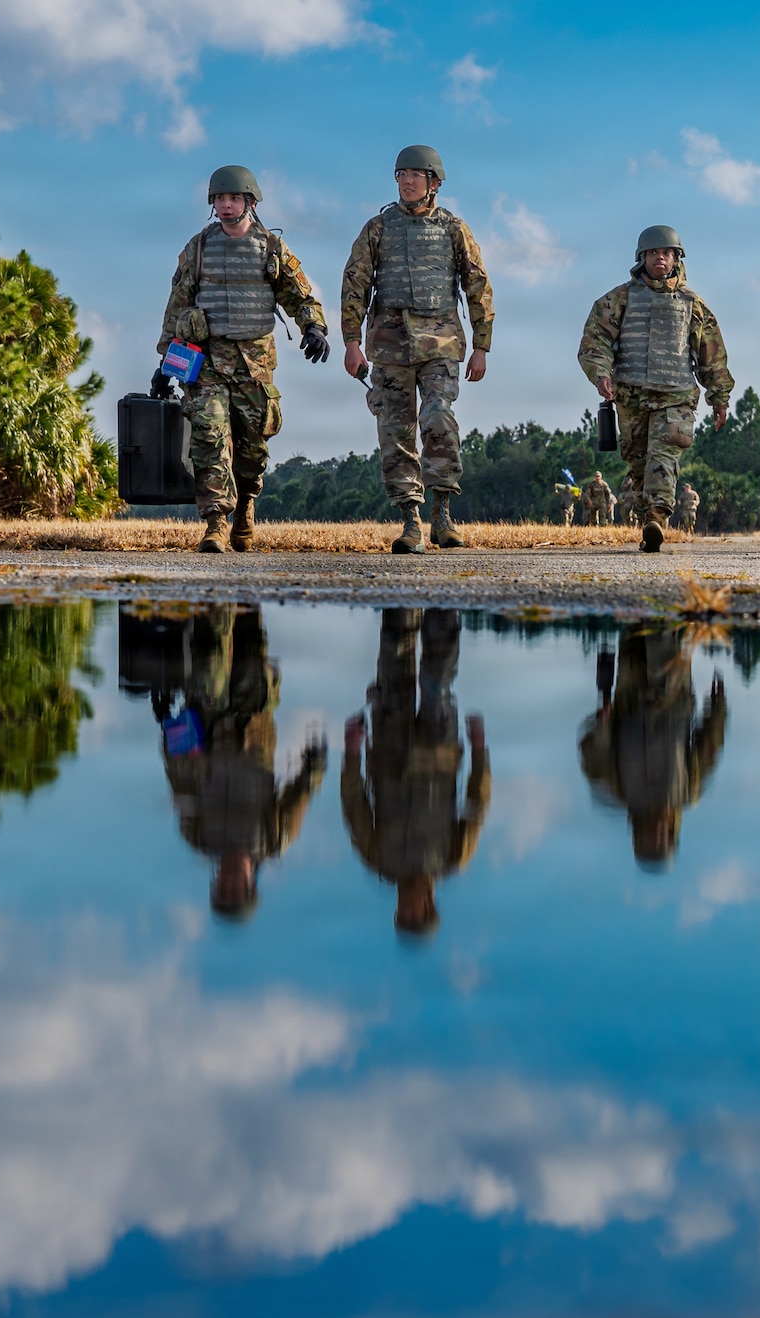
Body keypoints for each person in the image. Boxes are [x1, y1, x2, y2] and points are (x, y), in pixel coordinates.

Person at [152, 165, 328, 554]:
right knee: (209, 436)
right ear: (212, 204)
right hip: (207, 362)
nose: (226, 205)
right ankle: (215, 523)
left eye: (233, 198)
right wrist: (166, 364)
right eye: (219, 199)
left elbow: (301, 296)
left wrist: (313, 327)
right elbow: (176, 309)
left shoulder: (271, 248)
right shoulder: (197, 249)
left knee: (253, 448)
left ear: (250, 201)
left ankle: (246, 505)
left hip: (255, 364)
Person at [339, 146, 495, 554]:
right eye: (401, 174)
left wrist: (482, 346)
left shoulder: (453, 229)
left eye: (415, 175)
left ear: (434, 183)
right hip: (389, 346)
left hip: (440, 341)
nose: (407, 181)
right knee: (395, 430)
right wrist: (351, 342)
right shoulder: (378, 228)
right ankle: (411, 521)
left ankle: (442, 514)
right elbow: (354, 284)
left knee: (438, 417)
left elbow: (477, 286)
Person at [127, 606, 327, 917]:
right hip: (254, 719)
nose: (229, 883)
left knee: (207, 657)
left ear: (215, 883)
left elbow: (179, 776)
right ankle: (243, 569)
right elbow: (301, 793)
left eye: (223, 890)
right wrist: (314, 767)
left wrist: (168, 724)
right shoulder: (274, 840)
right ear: (251, 885)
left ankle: (214, 589)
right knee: (250, 639)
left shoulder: (197, 837)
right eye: (236, 891)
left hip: (209, 720)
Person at [577, 226, 735, 553]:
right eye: (653, 253)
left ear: (677, 258)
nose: (659, 257)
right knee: (637, 463)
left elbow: (712, 354)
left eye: (666, 252)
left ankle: (657, 518)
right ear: (642, 258)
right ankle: (646, 516)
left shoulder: (693, 303)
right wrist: (600, 374)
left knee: (663, 458)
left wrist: (719, 396)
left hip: (675, 398)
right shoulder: (618, 300)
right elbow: (595, 342)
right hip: (630, 396)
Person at [342, 609, 491, 934]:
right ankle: (443, 608)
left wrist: (351, 753)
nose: (403, 909)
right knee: (436, 683)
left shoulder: (378, 860)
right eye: (411, 915)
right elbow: (476, 807)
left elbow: (355, 804)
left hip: (387, 750)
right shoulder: (453, 859)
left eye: (401, 916)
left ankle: (401, 604)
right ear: (428, 907)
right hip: (439, 752)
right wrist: (480, 752)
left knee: (394, 662)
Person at [579, 630, 728, 868]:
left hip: (630, 698)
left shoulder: (616, 791)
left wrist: (602, 728)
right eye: (661, 840)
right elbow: (708, 747)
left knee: (633, 629)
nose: (656, 835)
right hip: (673, 696)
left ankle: (644, 597)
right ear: (671, 834)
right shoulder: (687, 793)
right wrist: (717, 707)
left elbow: (590, 753)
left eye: (651, 842)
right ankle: (664, 599)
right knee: (664, 631)